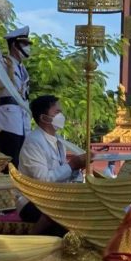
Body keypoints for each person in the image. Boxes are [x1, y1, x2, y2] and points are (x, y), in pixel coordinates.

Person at [16, 95, 90, 236]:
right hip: (32, 201)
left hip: (55, 196)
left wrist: (77, 169)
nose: (61, 116)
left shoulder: (58, 141)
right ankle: (33, 239)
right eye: (57, 112)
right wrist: (72, 165)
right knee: (62, 212)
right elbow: (43, 180)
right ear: (44, 118)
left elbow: (62, 174)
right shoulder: (34, 141)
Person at [0, 26, 31, 167]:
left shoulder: (22, 69)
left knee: (21, 163)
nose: (27, 48)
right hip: (8, 121)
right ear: (15, 45)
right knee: (10, 163)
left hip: (22, 121)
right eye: (25, 44)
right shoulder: (3, 63)